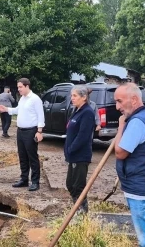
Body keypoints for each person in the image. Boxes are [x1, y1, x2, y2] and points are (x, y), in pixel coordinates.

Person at [114, 83, 145, 247]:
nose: (117, 106)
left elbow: (120, 152)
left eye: (120, 101)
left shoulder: (138, 122)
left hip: (141, 190)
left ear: (134, 99)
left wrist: (121, 126)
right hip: (143, 186)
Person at [0, 78, 44, 191]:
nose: (18, 90)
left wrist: (39, 131)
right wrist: (6, 109)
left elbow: (41, 115)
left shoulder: (35, 99)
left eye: (20, 87)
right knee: (22, 156)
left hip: (31, 131)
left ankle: (35, 181)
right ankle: (24, 179)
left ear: (27, 86)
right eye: (18, 87)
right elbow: (18, 110)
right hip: (20, 131)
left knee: (32, 157)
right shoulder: (22, 98)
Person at [64, 85, 95, 213]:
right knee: (70, 184)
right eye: (72, 95)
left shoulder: (87, 112)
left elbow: (83, 135)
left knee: (78, 186)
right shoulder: (77, 110)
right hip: (72, 155)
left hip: (80, 155)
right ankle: (77, 208)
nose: (72, 98)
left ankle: (82, 211)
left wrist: (71, 149)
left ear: (84, 97)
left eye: (75, 96)